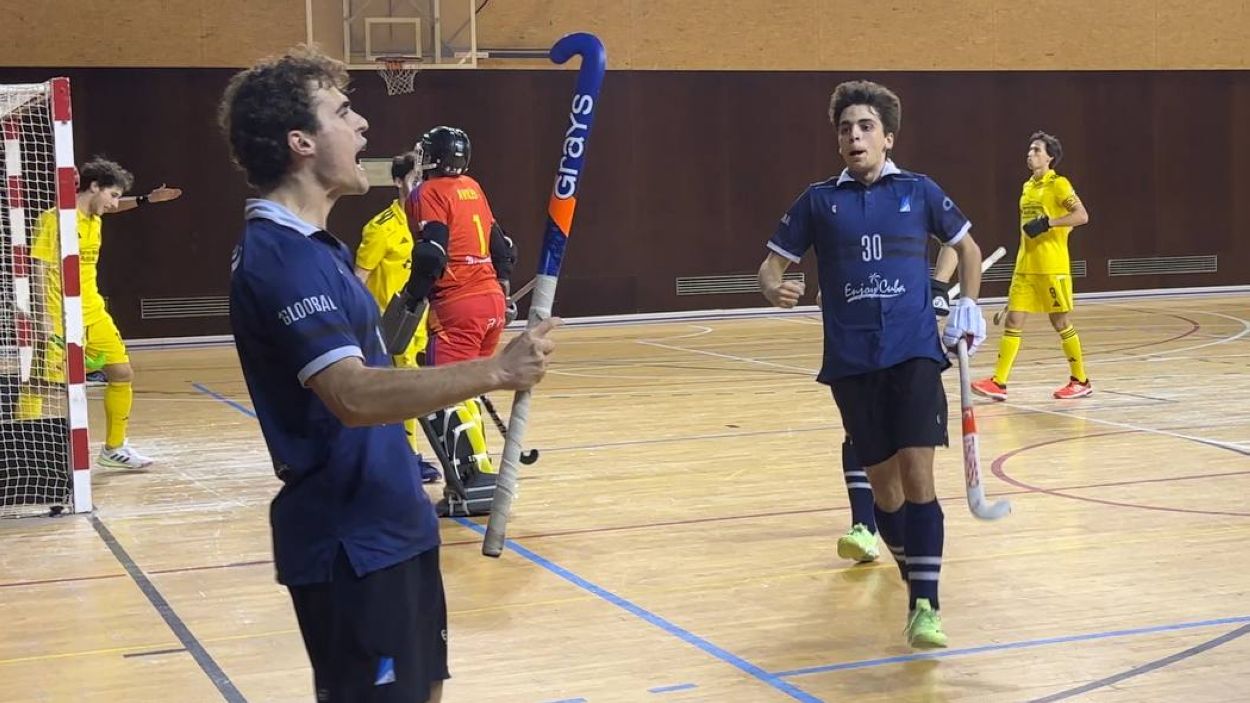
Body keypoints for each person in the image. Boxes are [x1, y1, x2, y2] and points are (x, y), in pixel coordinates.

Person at [219, 46, 558, 702]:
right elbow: (350, 392)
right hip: (352, 542)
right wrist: (494, 371)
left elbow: (380, 356)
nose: (363, 126)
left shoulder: (323, 249)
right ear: (301, 143)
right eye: (343, 112)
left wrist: (431, 300)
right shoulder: (284, 259)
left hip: (392, 522)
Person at [758, 80, 986, 649]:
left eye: (865, 127)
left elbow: (969, 250)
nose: (854, 136)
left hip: (913, 354)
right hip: (851, 361)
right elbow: (768, 268)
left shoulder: (919, 190)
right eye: (845, 129)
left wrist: (968, 303)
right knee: (884, 494)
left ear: (888, 137)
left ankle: (926, 605)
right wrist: (772, 289)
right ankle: (917, 576)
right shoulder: (817, 201)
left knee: (918, 479)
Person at [19, 157, 178, 467]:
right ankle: (22, 450)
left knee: (121, 372)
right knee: (40, 383)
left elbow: (114, 207)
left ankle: (114, 449)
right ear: (94, 187)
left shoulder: (95, 216)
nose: (114, 203)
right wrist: (43, 319)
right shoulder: (54, 220)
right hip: (58, 314)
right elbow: (38, 268)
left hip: (93, 312)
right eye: (113, 194)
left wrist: (147, 199)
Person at [401, 126, 517, 513]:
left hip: (458, 304)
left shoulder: (427, 193)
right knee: (464, 390)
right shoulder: (473, 187)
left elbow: (432, 253)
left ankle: (476, 484)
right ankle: (471, 477)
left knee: (445, 395)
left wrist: (410, 300)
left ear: (432, 156)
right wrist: (499, 288)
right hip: (492, 305)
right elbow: (502, 247)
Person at [831, 245, 958, 565]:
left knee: (907, 452)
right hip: (863, 334)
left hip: (911, 341)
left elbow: (955, 243)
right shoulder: (838, 200)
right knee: (857, 432)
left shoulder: (916, 195)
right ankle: (863, 526)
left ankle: (911, 544)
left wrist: (939, 285)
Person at [972, 132, 1091, 401]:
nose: (1030, 154)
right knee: (1014, 320)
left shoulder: (1059, 184)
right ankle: (999, 382)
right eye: (1029, 150)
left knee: (1059, 320)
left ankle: (1080, 380)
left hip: (1051, 266)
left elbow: (1081, 216)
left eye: (1036, 150)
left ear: (1050, 157)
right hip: (1026, 266)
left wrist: (1050, 222)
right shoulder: (1027, 187)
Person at [354, 152, 440, 483]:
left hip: (423, 328)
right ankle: (407, 458)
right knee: (403, 396)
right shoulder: (381, 229)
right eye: (413, 180)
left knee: (415, 396)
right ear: (398, 182)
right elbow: (357, 280)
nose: (420, 187)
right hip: (390, 330)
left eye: (424, 180)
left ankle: (401, 457)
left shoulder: (430, 229)